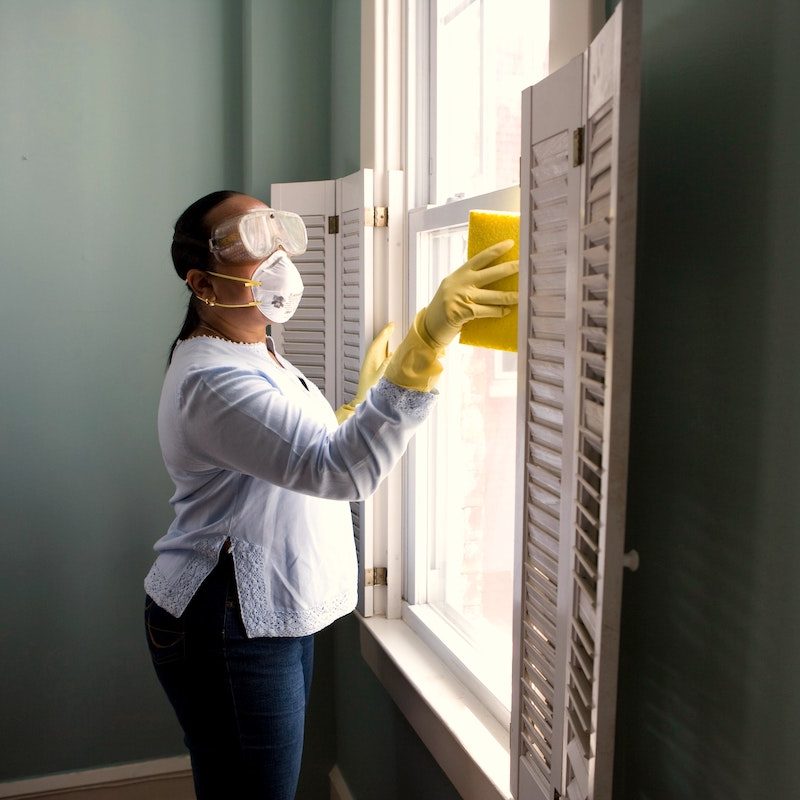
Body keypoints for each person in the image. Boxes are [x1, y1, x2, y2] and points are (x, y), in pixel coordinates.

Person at [143, 189, 518, 799]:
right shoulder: (212, 377)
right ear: (202, 283)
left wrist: (353, 408)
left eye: (279, 231)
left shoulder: (255, 353)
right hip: (225, 617)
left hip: (258, 612)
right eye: (252, 241)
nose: (279, 255)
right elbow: (339, 472)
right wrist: (426, 343)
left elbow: (289, 451)